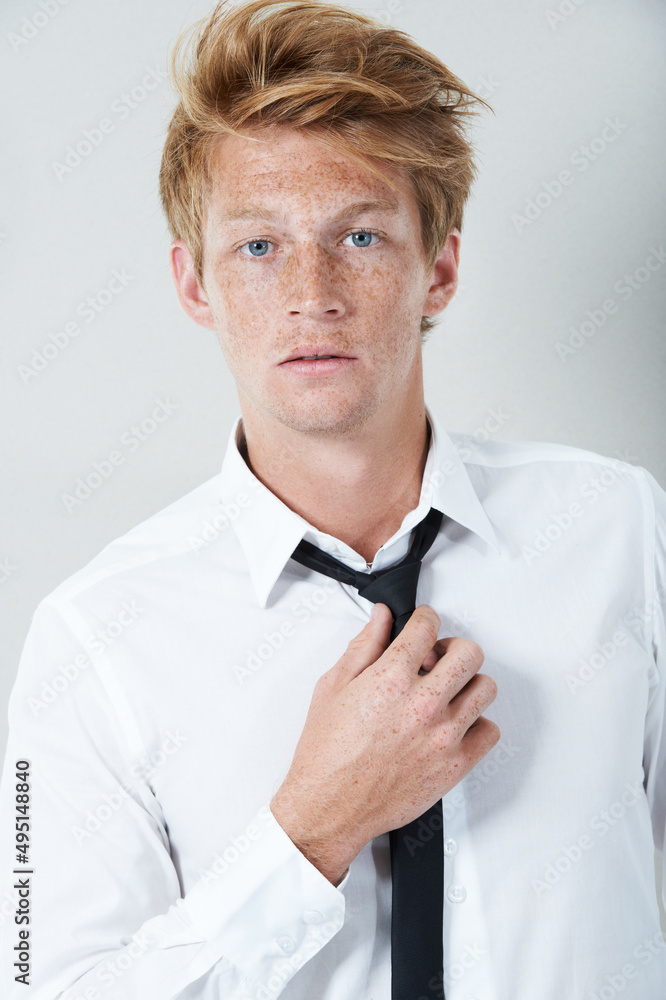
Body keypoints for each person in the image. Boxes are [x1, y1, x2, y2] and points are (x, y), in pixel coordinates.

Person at [1, 0, 665, 997]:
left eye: (359, 236)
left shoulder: (623, 530)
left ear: (438, 268)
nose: (312, 291)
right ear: (196, 285)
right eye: (258, 247)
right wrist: (312, 826)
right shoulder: (91, 641)